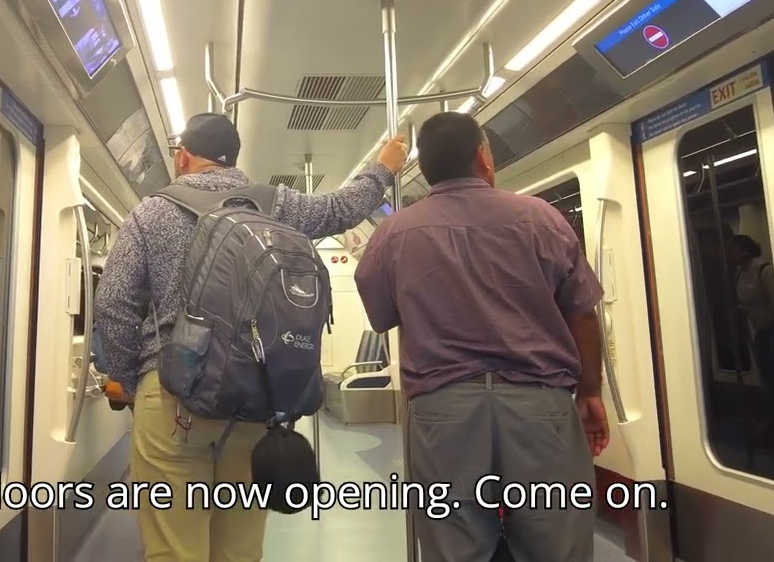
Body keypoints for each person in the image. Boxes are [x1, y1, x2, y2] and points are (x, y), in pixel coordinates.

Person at [95, 112, 409, 561]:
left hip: (169, 398)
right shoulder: (277, 205)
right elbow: (341, 208)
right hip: (251, 399)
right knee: (239, 551)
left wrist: (131, 382)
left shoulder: (152, 212)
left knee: (173, 549)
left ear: (183, 157)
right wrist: (383, 167)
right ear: (234, 159)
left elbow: (114, 303)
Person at [354, 111, 609, 562]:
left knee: (454, 546)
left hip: (442, 411)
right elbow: (582, 314)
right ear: (483, 157)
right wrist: (590, 392)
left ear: (425, 170)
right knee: (557, 543)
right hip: (540, 406)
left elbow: (382, 315)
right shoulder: (542, 219)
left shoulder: (392, 233)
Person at [728, 234, 774, 444]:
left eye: (733, 250)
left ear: (745, 251)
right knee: (767, 381)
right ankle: (772, 425)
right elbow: (746, 302)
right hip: (758, 333)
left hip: (772, 332)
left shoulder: (764, 271)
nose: (731, 255)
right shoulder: (740, 275)